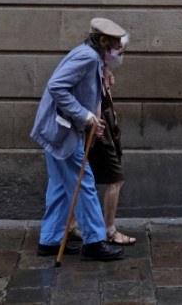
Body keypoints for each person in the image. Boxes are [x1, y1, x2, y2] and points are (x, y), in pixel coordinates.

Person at [29, 18, 127, 262]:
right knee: (84, 183)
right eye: (116, 44)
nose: (119, 49)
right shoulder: (88, 57)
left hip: (56, 130)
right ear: (103, 41)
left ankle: (50, 240)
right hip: (63, 132)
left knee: (60, 186)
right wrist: (85, 116)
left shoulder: (90, 56)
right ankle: (94, 242)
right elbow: (57, 86)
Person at [88, 49, 138, 246]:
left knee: (86, 179)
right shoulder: (91, 64)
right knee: (116, 178)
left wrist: (107, 81)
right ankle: (109, 230)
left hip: (104, 125)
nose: (120, 52)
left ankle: (75, 224)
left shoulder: (101, 67)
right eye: (118, 47)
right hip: (99, 129)